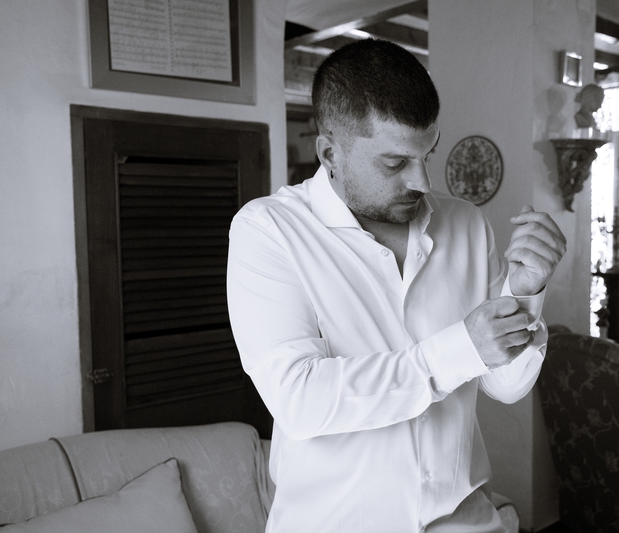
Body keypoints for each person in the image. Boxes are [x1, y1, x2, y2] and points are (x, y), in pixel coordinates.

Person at [227, 39, 566, 533]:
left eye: (427, 154)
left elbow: (506, 386)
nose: (422, 181)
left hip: (467, 523)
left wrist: (525, 291)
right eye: (395, 163)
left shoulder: (466, 224)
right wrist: (459, 350)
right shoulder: (268, 230)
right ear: (330, 153)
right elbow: (299, 399)